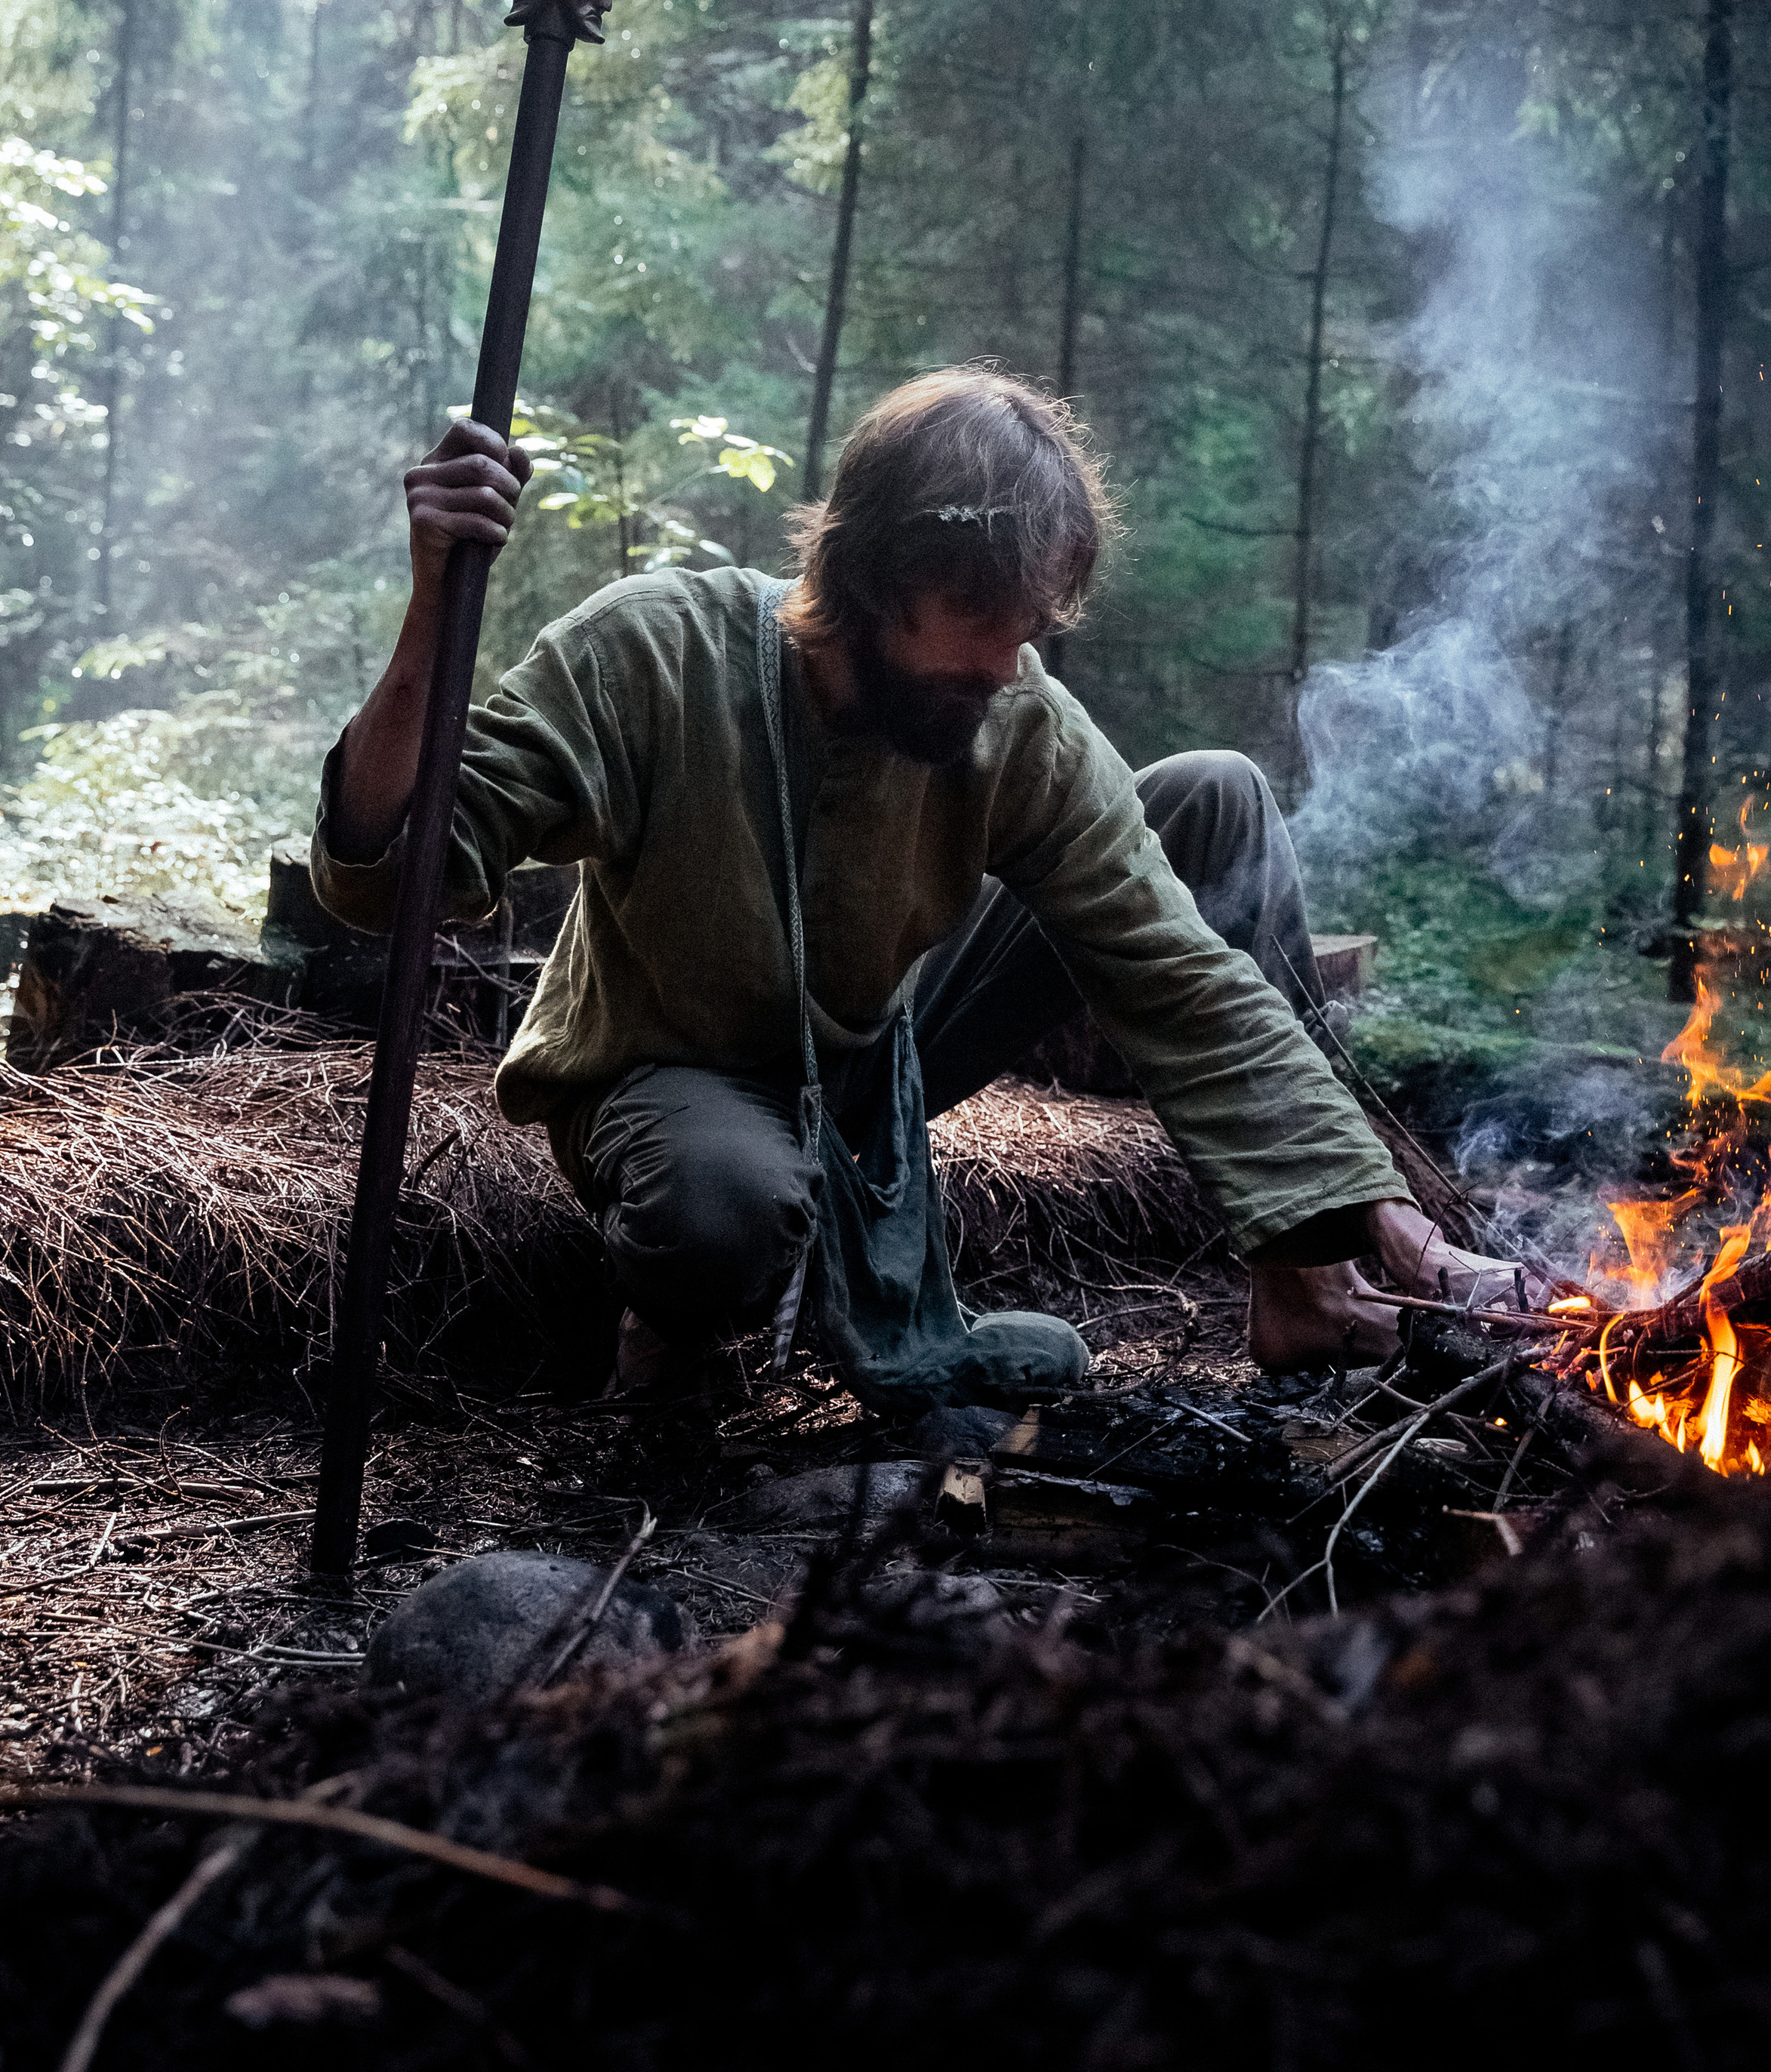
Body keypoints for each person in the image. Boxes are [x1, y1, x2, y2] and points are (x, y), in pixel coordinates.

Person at [316, 366, 1507, 1414]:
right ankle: (668, 1329)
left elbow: (1180, 971)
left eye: (1027, 621)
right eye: (976, 612)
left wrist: (1372, 1208)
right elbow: (391, 875)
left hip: (871, 1061)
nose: (1002, 659)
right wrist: (433, 602)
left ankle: (1308, 1291)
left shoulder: (1009, 713)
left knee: (1215, 795)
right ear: (873, 573)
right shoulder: (654, 652)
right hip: (666, 1066)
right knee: (727, 1208)